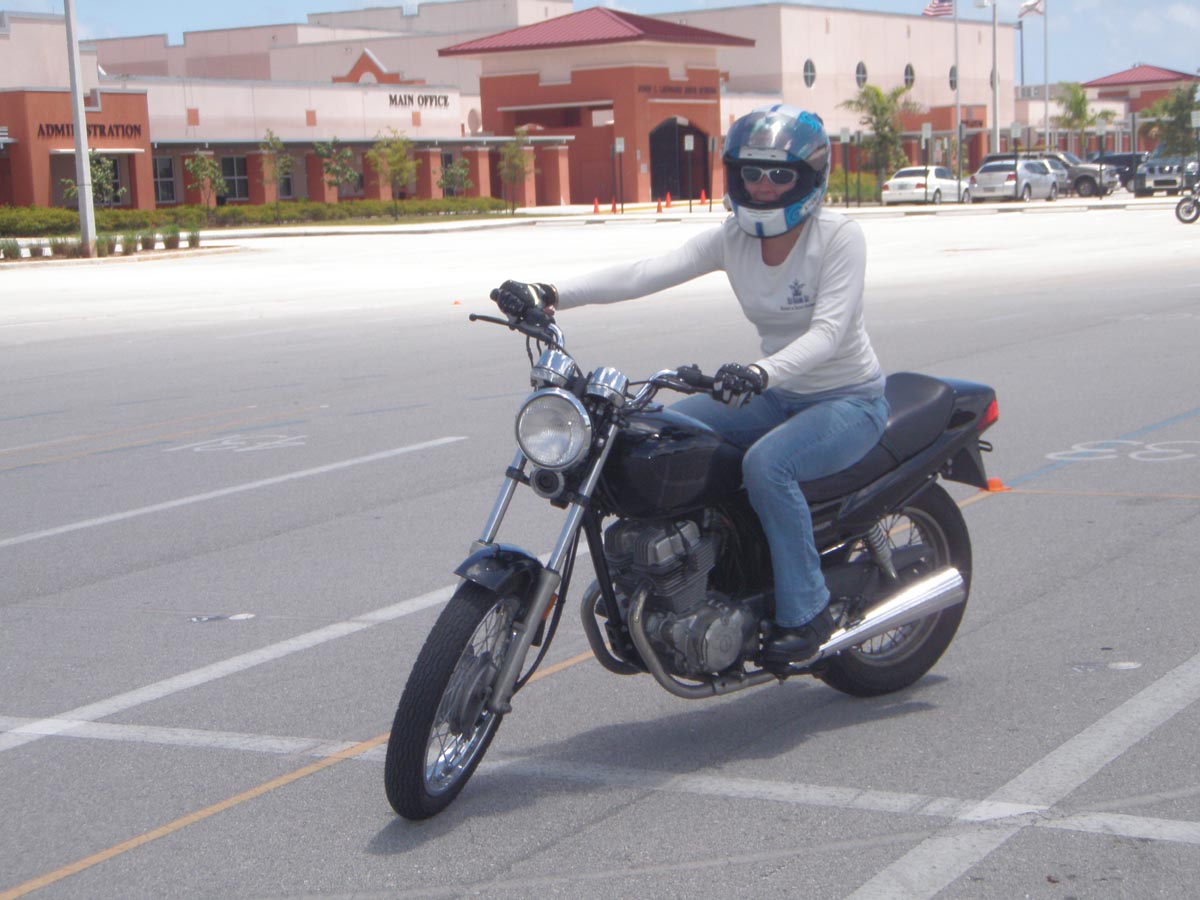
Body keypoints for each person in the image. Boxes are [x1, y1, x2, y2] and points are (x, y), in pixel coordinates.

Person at [491, 105, 888, 666]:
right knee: (661, 436)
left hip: (848, 399)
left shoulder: (839, 237)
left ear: (808, 177)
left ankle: (807, 611)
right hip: (775, 395)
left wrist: (760, 372)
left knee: (768, 466)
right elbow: (644, 273)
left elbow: (829, 333)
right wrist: (551, 293)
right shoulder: (733, 238)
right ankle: (695, 575)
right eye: (751, 172)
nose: (763, 186)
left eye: (779, 175)